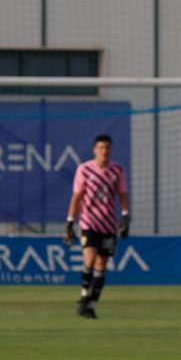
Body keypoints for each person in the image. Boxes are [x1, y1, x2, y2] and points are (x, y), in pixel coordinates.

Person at [64, 134, 130, 319]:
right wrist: (70, 221)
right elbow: (77, 196)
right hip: (89, 222)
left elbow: (122, 195)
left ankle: (91, 305)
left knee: (102, 264)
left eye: (107, 147)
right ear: (95, 150)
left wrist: (125, 217)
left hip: (108, 224)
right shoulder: (84, 170)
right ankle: (85, 295)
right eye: (101, 147)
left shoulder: (117, 170)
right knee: (89, 259)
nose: (104, 151)